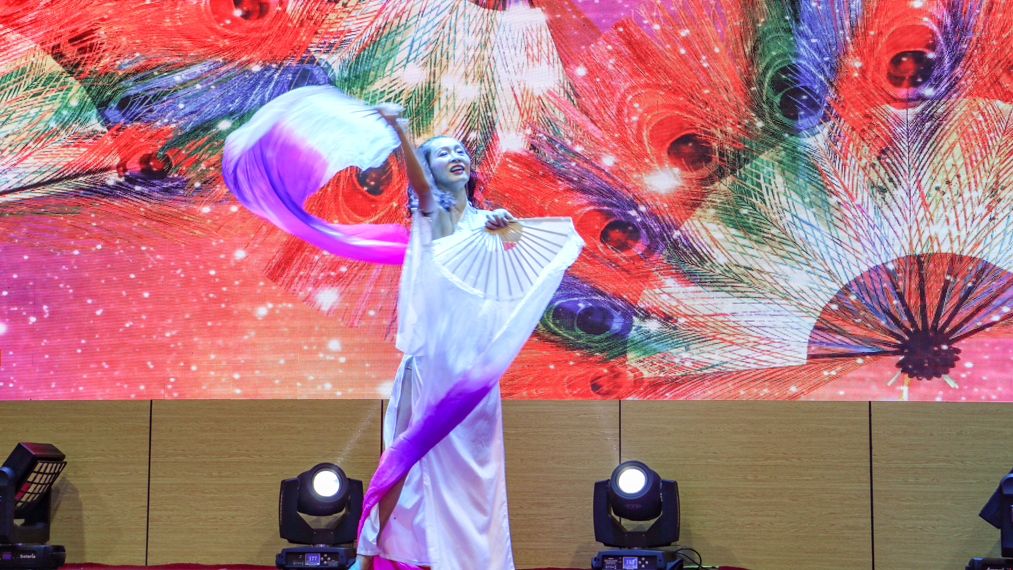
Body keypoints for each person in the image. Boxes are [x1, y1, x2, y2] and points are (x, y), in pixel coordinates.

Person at [353, 103, 519, 570]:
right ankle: (365, 555)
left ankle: (474, 559)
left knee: (477, 469)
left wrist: (508, 232)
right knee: (405, 456)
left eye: (460, 150)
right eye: (442, 153)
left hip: (476, 367)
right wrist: (400, 130)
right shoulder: (430, 214)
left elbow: (508, 281)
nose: (456, 156)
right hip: (431, 361)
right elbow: (423, 187)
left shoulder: (487, 222)